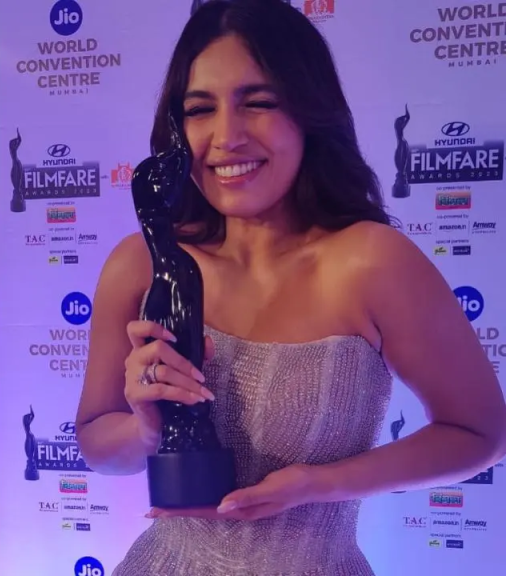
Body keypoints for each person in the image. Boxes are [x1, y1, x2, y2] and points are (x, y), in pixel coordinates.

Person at [75, 2, 506, 575]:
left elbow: (479, 432)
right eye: (199, 109)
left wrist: (320, 484)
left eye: (258, 102)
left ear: (309, 111)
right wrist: (146, 427)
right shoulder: (140, 264)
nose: (226, 137)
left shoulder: (372, 262)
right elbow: (98, 446)